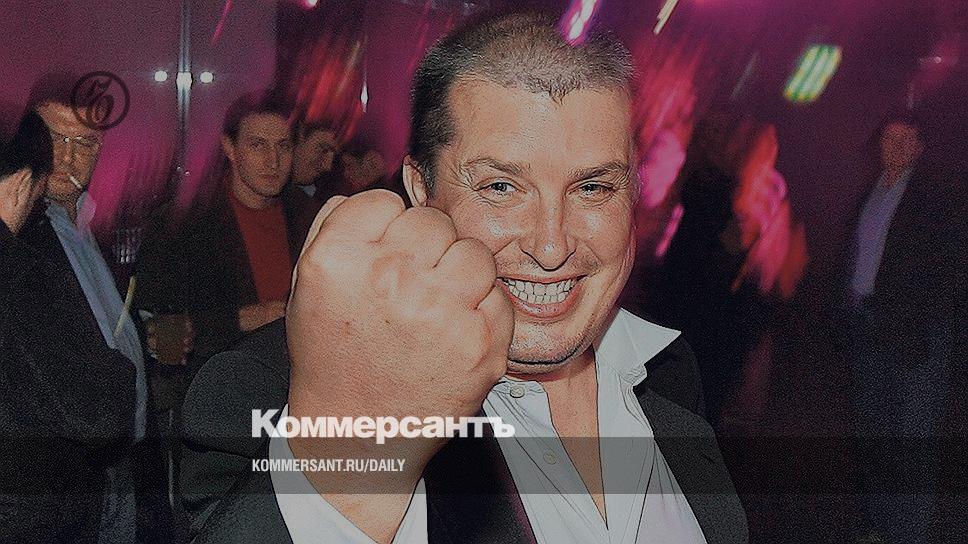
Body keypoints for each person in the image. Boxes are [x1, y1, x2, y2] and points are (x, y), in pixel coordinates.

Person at [185, 13, 747, 544]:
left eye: (593, 188)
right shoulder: (275, 393)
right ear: (421, 190)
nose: (551, 246)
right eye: (501, 187)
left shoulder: (666, 371)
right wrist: (356, 462)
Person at [0, 80, 160, 542]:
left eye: (84, 143)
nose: (66, 157)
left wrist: (139, 336)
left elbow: (98, 322)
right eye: (54, 138)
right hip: (60, 474)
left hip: (120, 460)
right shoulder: (20, 235)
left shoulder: (96, 225)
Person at [840, 113, 968, 544]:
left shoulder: (935, 197)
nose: (894, 146)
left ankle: (907, 533)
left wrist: (925, 318)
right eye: (889, 138)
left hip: (914, 335)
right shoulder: (870, 194)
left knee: (912, 437)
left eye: (905, 139)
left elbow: (953, 264)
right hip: (867, 327)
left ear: (919, 147)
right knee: (873, 434)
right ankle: (879, 527)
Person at [137, 91, 316, 371]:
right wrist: (244, 318)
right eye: (258, 145)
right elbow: (159, 327)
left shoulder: (308, 216)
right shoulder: (181, 224)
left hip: (300, 378)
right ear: (230, 148)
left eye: (283, 146)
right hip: (220, 380)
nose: (273, 161)